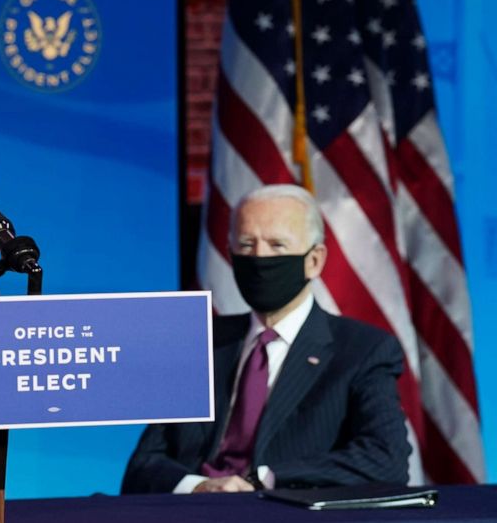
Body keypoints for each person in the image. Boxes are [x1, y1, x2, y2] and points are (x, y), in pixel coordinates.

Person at [122, 184, 411, 494]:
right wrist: (200, 486)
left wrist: (265, 479)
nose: (259, 257)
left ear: (314, 261)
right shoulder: (198, 341)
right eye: (247, 244)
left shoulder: (362, 350)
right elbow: (144, 464)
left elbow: (386, 459)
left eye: (277, 245)